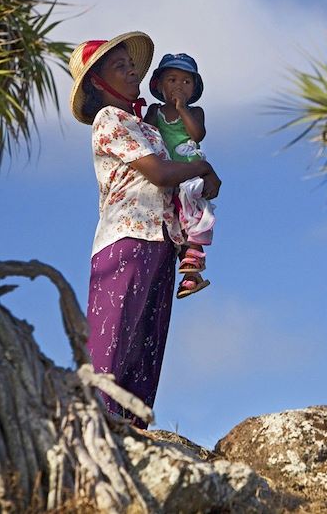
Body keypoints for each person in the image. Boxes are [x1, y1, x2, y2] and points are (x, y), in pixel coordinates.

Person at [68, 31, 221, 428]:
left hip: (160, 240)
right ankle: (97, 429)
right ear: (97, 84)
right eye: (120, 67)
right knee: (114, 339)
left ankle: (134, 435)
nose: (132, 70)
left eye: (131, 64)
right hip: (127, 239)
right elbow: (158, 172)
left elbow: (175, 164)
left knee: (146, 344)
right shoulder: (110, 119)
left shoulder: (148, 125)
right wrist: (202, 168)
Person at [144, 53, 214, 299]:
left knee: (191, 211)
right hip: (166, 173)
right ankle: (191, 276)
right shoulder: (155, 111)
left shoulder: (196, 112)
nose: (179, 86)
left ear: (194, 88)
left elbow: (197, 135)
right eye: (172, 80)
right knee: (174, 222)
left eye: (186, 82)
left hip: (189, 171)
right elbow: (146, 137)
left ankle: (194, 261)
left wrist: (182, 108)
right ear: (160, 86)